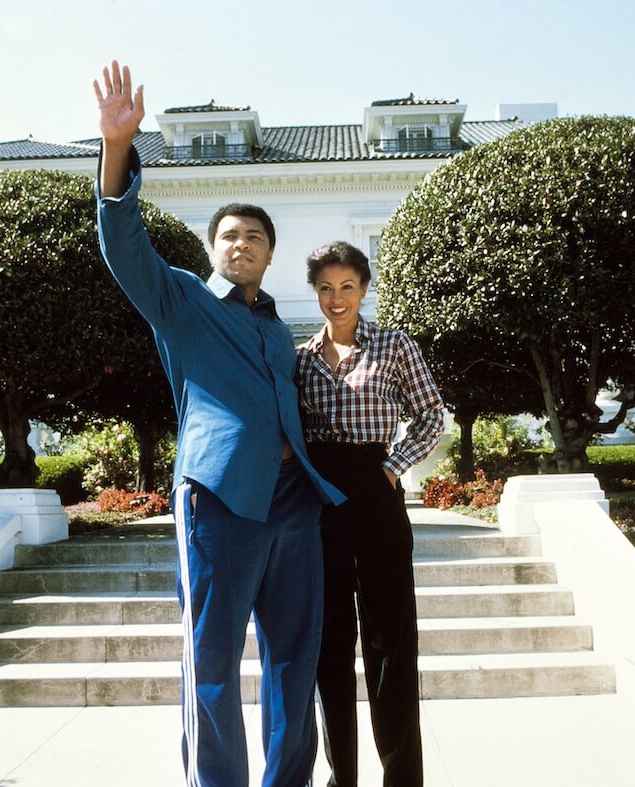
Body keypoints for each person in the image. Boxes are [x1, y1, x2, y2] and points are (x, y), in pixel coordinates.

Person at [92, 61, 345, 787]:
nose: (241, 244)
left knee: (296, 661)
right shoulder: (179, 300)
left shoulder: (277, 329)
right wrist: (116, 147)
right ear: (213, 249)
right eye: (229, 236)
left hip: (296, 505)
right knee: (210, 665)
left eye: (255, 237)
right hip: (217, 501)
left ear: (269, 254)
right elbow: (122, 242)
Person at [295, 241, 445, 787]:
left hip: (377, 495)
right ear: (316, 293)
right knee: (329, 648)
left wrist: (391, 468)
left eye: (347, 287)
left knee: (390, 643)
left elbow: (431, 418)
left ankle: (401, 778)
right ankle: (343, 779)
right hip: (321, 506)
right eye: (326, 289)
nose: (337, 299)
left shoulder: (394, 346)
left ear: (363, 288)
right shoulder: (302, 358)